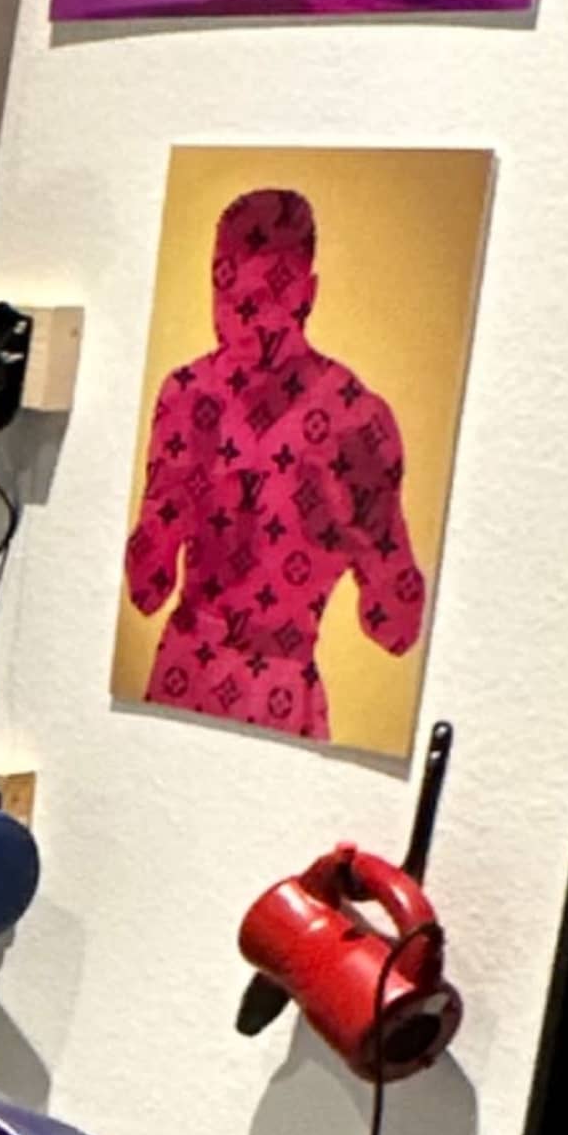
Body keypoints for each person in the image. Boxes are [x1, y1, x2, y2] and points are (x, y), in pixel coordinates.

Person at [120, 183, 426, 741]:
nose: (237, 321)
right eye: (224, 293)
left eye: (260, 301)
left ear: (305, 294)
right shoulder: (187, 394)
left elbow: (397, 629)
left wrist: (364, 525)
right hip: (181, 674)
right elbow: (146, 590)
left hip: (281, 700)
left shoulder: (356, 419)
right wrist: (172, 499)